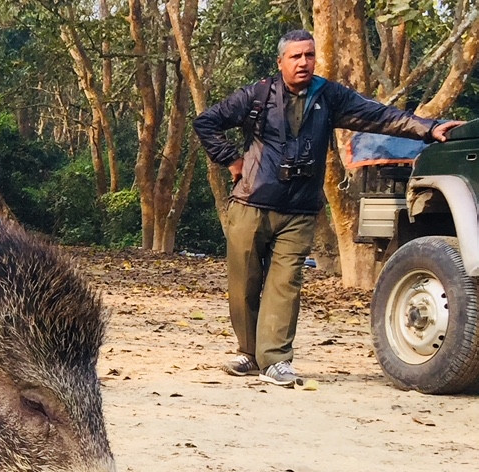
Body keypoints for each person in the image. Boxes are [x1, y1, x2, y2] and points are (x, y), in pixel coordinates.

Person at [193, 29, 464, 386]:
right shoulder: (257, 94)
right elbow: (206, 122)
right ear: (281, 62)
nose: (303, 62)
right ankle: (249, 352)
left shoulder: (328, 95)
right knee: (244, 283)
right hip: (251, 202)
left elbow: (379, 116)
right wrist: (232, 161)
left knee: (285, 282)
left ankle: (275, 359)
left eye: (309, 55)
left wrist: (429, 129)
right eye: (295, 57)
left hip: (300, 208)